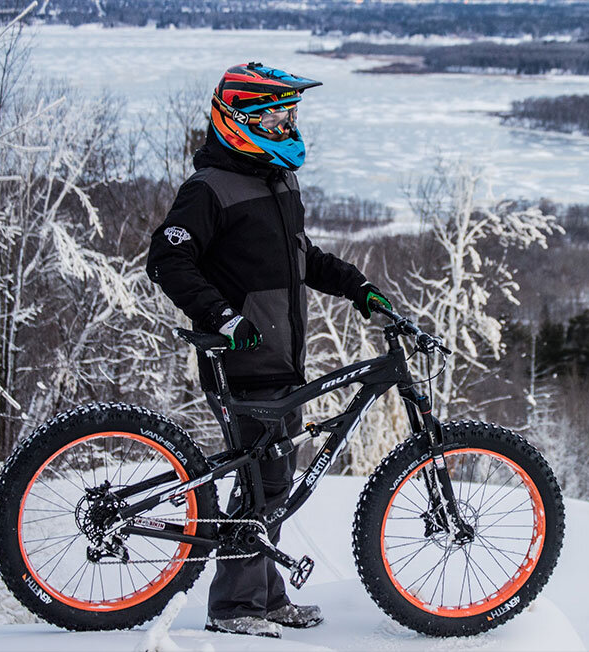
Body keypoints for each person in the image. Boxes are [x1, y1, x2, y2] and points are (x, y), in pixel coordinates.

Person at [146, 62, 391, 639]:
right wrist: (222, 317)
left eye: (290, 115)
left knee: (273, 477)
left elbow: (300, 257)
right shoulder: (209, 189)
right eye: (275, 115)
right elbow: (167, 259)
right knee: (263, 480)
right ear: (239, 119)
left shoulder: (278, 181)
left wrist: (358, 286)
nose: (286, 125)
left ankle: (264, 595)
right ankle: (233, 607)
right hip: (239, 359)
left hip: (281, 357)